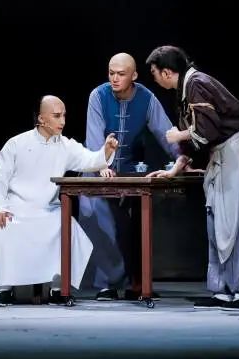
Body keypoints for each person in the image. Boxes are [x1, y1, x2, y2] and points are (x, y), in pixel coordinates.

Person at [145, 45, 239, 310]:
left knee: (238, 223)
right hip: (221, 158)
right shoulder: (185, 90)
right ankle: (223, 290)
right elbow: (196, 138)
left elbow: (207, 130)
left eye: (155, 73)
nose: (155, 79)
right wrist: (175, 168)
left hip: (237, 156)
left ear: (167, 72)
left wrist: (179, 135)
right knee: (217, 223)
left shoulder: (197, 83)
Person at [0, 95, 119, 307]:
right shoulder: (16, 144)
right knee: (3, 226)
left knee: (67, 227)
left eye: (64, 115)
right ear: (41, 119)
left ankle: (58, 289)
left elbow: (90, 159)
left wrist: (106, 151)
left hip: (49, 210)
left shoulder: (65, 145)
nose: (62, 121)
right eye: (56, 116)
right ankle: (3, 290)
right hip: (17, 209)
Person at [78, 52, 181, 301]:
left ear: (133, 75)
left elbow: (166, 133)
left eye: (121, 74)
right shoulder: (98, 96)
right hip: (98, 168)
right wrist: (101, 163)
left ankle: (138, 282)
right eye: (111, 73)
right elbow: (94, 136)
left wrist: (182, 158)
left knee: (139, 222)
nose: (114, 78)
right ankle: (107, 284)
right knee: (99, 218)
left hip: (129, 170)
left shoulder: (146, 98)